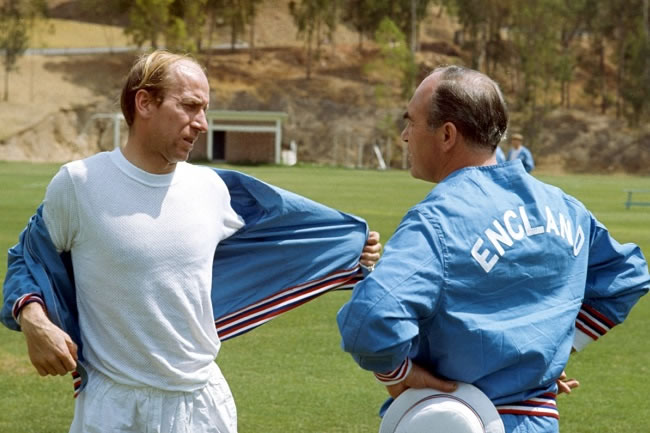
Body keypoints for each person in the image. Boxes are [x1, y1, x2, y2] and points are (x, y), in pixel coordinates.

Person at [2, 50, 381, 433]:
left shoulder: (213, 189)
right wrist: (34, 320)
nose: (201, 123)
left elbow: (290, 233)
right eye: (189, 107)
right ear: (145, 102)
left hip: (202, 407)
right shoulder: (79, 184)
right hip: (112, 409)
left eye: (205, 109)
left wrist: (349, 248)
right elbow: (27, 258)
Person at [336, 65, 649, 433]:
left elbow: (371, 317)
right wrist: (558, 350)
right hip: (539, 422)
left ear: (447, 134)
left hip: (454, 419)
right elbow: (627, 276)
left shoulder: (437, 220)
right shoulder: (564, 207)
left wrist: (398, 372)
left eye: (412, 122)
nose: (405, 136)